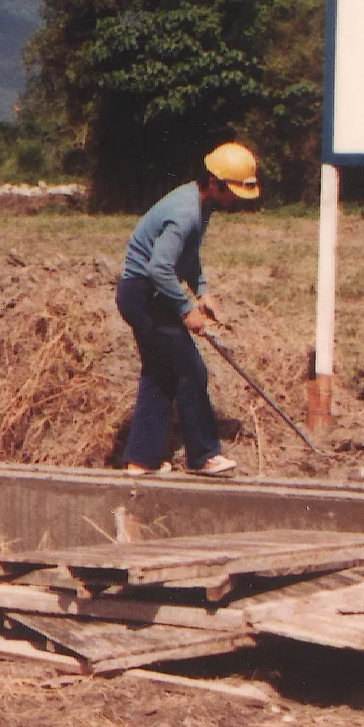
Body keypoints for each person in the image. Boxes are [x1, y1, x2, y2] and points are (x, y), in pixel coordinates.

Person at [116, 143, 261, 477]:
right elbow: (159, 268)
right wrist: (186, 310)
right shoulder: (185, 213)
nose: (236, 199)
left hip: (146, 295)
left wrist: (202, 291)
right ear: (215, 182)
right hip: (143, 295)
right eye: (234, 191)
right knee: (190, 370)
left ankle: (141, 460)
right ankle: (204, 456)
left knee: (160, 373)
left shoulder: (200, 204)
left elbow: (187, 256)